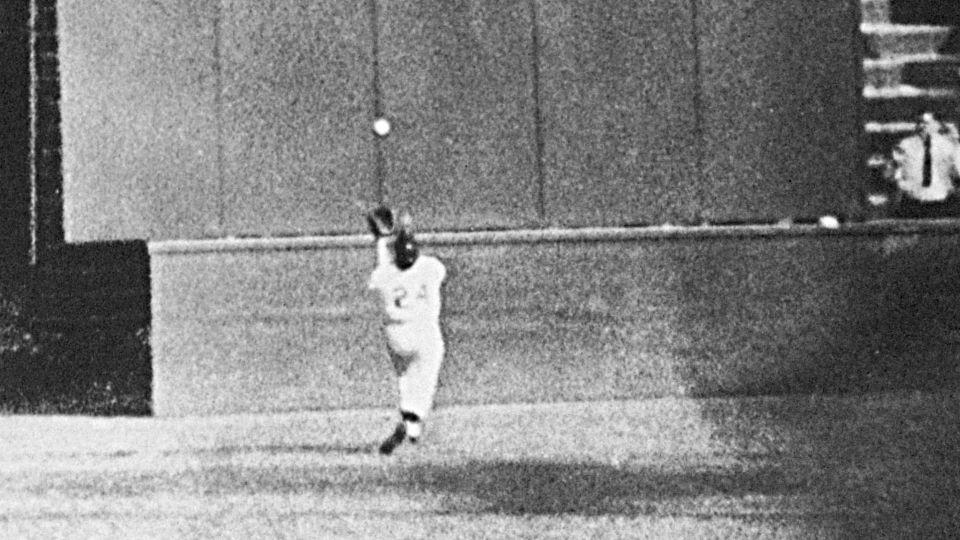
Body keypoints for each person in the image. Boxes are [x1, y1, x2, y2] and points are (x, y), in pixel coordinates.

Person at [365, 206, 447, 455]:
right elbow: (432, 269)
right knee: (428, 369)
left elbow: (383, 269)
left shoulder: (385, 274)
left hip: (395, 334)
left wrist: (382, 241)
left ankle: (409, 421)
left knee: (405, 374)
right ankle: (413, 420)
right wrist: (405, 230)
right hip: (423, 330)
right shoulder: (429, 267)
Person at [885, 112, 960, 219]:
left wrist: (957, 145)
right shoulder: (905, 145)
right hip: (913, 201)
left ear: (938, 125)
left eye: (927, 123)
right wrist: (900, 181)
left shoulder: (948, 145)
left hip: (942, 201)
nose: (922, 126)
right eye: (919, 122)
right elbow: (891, 172)